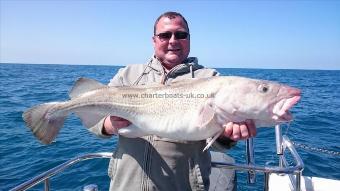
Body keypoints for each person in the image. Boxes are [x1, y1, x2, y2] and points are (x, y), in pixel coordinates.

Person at [89, 11, 256, 191]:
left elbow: (217, 141)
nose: (173, 40)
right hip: (125, 185)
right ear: (154, 41)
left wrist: (227, 135)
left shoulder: (210, 79)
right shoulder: (128, 75)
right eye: (165, 35)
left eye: (181, 35)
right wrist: (111, 125)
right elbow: (94, 118)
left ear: (189, 39)